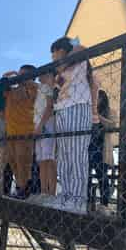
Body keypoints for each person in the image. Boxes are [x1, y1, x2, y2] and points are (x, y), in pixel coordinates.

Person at [50, 37, 92, 214]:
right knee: (65, 157)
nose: (54, 58)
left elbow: (82, 47)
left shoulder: (79, 60)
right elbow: (57, 86)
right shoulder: (59, 71)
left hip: (78, 107)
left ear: (64, 50)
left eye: (56, 53)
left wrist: (68, 50)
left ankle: (78, 199)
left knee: (77, 155)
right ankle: (66, 195)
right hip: (62, 110)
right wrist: (60, 66)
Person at [3, 65, 38, 199]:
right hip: (11, 131)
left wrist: (25, 81)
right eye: (19, 74)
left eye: (23, 74)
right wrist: (10, 72)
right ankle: (19, 187)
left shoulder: (34, 88)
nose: (19, 76)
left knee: (23, 161)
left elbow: (29, 96)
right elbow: (2, 82)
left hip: (25, 131)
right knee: (12, 161)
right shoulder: (13, 89)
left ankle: (24, 189)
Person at [88, 89, 116, 211]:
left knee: (102, 177)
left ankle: (104, 204)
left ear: (103, 99)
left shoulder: (110, 111)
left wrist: (98, 116)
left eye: (97, 98)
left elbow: (112, 125)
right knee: (86, 177)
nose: (95, 100)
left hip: (102, 150)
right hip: (89, 149)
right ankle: (88, 202)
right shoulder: (88, 112)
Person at [32, 72, 56, 203]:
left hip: (46, 124)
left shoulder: (46, 87)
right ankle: (44, 192)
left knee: (48, 160)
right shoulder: (41, 88)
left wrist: (40, 125)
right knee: (42, 161)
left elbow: (49, 107)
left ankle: (50, 193)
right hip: (39, 126)